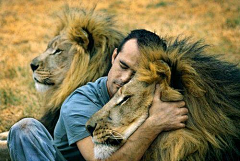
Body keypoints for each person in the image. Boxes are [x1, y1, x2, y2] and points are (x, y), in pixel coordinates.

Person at [7, 29, 188, 161]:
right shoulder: (79, 102)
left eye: (136, 74)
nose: (124, 79)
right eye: (123, 66)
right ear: (113, 56)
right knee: (25, 129)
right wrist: (154, 124)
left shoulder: (151, 96)